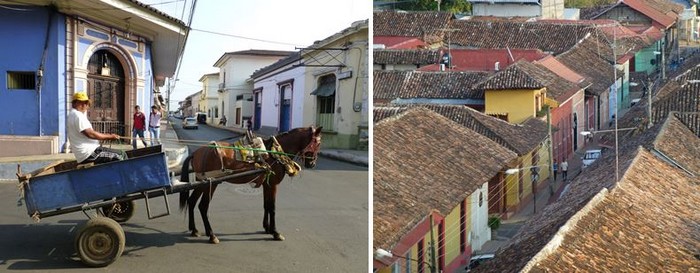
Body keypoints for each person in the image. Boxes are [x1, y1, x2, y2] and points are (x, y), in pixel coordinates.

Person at [67, 92, 124, 164]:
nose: (84, 105)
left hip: (86, 153)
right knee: (121, 155)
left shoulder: (71, 114)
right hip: (90, 153)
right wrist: (110, 136)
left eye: (86, 103)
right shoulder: (78, 115)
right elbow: (91, 134)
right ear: (74, 103)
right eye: (81, 103)